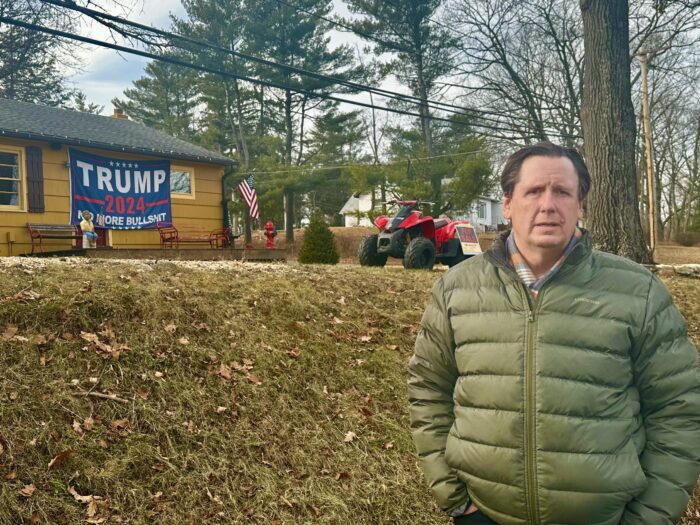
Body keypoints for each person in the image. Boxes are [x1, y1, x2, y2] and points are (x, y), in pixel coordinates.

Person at [408, 142, 700, 525]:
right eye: (533, 191)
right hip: (486, 516)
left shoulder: (639, 292)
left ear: (580, 205)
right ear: (509, 203)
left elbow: (679, 409)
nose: (548, 205)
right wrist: (457, 500)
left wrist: (649, 517)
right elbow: (428, 390)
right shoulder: (456, 290)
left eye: (562, 191)